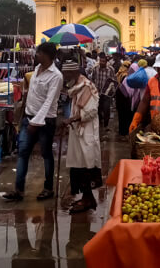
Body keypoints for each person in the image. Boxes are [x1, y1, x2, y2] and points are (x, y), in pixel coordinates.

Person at [3, 42, 62, 202]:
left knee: (46, 154)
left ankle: (48, 188)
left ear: (47, 55)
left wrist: (35, 122)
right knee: (22, 153)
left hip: (45, 121)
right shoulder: (36, 70)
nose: (36, 55)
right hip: (29, 118)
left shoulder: (56, 76)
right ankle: (18, 189)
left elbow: (50, 102)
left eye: (39, 53)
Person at [61, 60, 102, 213]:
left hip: (86, 132)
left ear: (74, 73)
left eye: (67, 74)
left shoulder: (86, 87)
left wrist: (71, 119)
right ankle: (87, 198)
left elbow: (91, 111)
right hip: (77, 132)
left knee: (86, 164)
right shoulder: (76, 87)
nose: (65, 78)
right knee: (78, 164)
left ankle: (88, 199)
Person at [90, 53, 117, 133]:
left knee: (106, 109)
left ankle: (106, 125)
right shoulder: (95, 69)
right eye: (100, 61)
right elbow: (92, 79)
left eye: (103, 61)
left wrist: (112, 91)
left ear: (106, 62)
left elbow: (114, 80)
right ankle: (99, 122)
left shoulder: (111, 69)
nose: (102, 63)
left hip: (106, 94)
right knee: (98, 109)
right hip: (97, 93)